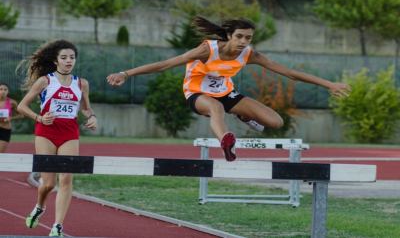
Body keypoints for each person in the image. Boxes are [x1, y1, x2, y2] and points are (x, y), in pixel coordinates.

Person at [107, 16, 350, 162]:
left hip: (226, 93)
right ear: (229, 36)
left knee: (274, 122)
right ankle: (226, 141)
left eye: (249, 38)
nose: (244, 43)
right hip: (197, 93)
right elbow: (165, 65)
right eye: (240, 37)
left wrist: (329, 84)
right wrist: (126, 73)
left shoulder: (249, 55)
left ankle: (241, 114)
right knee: (214, 108)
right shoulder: (207, 50)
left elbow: (288, 72)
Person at [17, 40, 97, 237]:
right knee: (48, 184)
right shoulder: (45, 81)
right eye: (64, 57)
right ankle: (39, 207)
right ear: (55, 61)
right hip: (46, 132)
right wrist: (39, 117)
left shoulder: (82, 83)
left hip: (69, 133)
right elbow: (21, 106)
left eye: (72, 57)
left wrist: (92, 117)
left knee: (67, 179)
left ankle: (57, 226)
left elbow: (86, 108)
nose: (68, 61)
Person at [0, 83, 23, 152]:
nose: (3, 91)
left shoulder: (12, 102)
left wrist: (10, 118)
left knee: (0, 154)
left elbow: (21, 115)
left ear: (8, 91)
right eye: (0, 89)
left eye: (5, 89)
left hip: (5, 130)